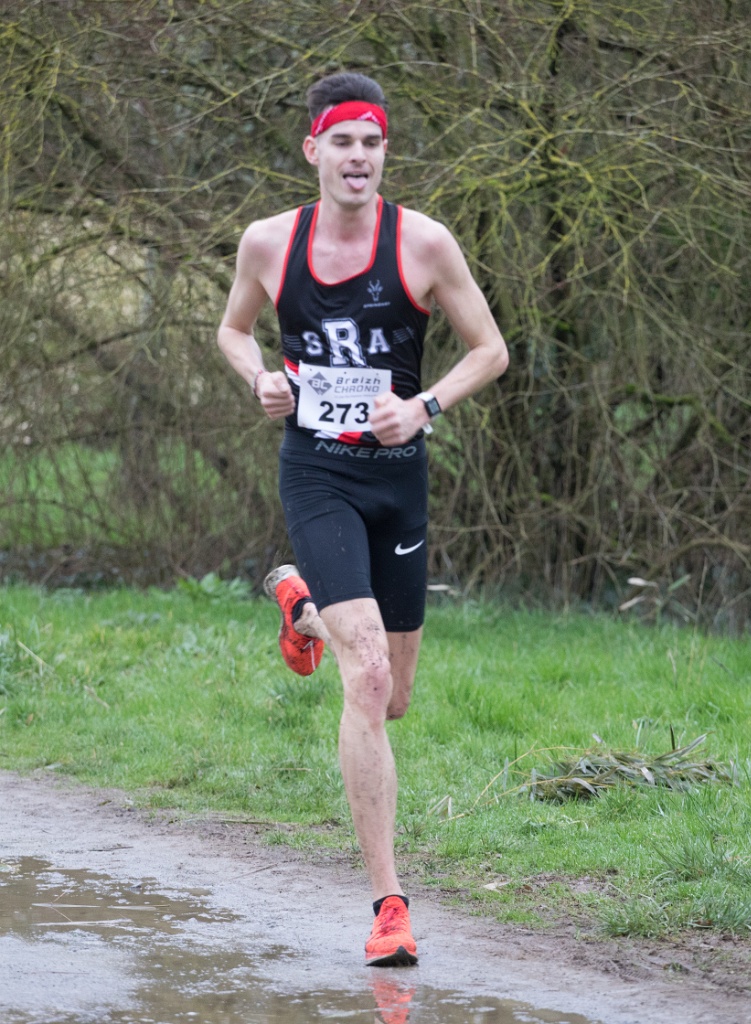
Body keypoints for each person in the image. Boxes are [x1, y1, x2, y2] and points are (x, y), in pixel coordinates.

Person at [217, 71, 508, 966]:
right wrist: (260, 378)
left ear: (385, 152)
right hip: (318, 476)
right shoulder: (270, 242)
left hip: (397, 482)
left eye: (372, 143)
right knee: (370, 679)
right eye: (342, 142)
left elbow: (490, 349)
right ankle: (389, 908)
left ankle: (301, 608)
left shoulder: (423, 243)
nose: (358, 157)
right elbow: (233, 331)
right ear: (313, 149)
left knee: (397, 697)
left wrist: (425, 407)